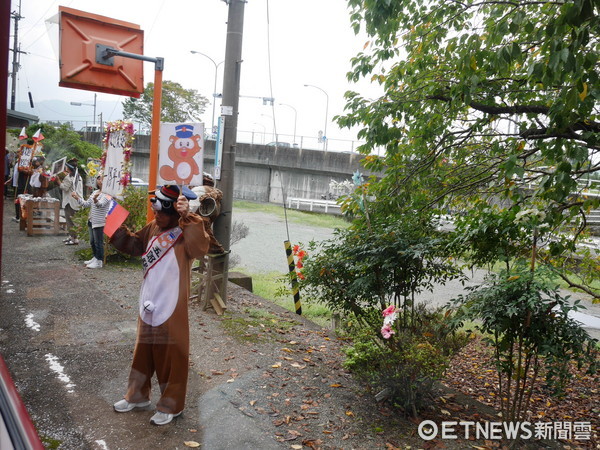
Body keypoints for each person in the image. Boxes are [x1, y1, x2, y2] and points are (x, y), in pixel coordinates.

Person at [110, 185, 223, 426]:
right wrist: (110, 220)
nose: (156, 215)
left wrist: (188, 216)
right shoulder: (153, 227)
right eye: (155, 209)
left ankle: (171, 405)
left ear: (174, 212)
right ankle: (137, 396)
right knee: (143, 352)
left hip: (172, 303)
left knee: (173, 355)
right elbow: (134, 245)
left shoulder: (184, 230)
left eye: (161, 211)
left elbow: (200, 248)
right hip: (148, 298)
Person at [71, 174, 110, 269]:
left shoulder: (108, 194)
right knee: (92, 242)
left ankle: (99, 261)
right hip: (91, 220)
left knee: (98, 242)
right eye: (99, 178)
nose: (100, 180)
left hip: (99, 221)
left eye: (102, 178)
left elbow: (100, 205)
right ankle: (95, 257)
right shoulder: (95, 192)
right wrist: (77, 198)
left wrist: (96, 199)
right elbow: (86, 204)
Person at [59, 158, 83, 245]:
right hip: (77, 201)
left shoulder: (69, 177)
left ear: (69, 168)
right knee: (74, 220)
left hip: (70, 202)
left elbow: (64, 187)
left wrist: (58, 182)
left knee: (70, 221)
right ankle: (72, 236)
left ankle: (74, 239)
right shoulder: (78, 176)